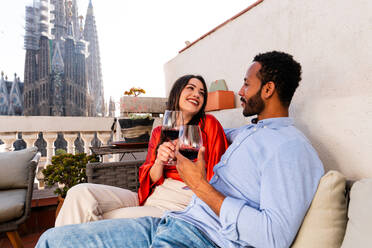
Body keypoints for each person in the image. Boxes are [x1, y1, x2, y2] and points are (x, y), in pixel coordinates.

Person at [37, 51, 324, 248]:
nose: (239, 91)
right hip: (176, 221)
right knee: (52, 238)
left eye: (246, 84)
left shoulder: (289, 147)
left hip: (194, 234)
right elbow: (151, 172)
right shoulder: (249, 132)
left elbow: (273, 237)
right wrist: (163, 157)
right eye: (191, 89)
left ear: (268, 89)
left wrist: (200, 185)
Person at [55, 75, 229, 226]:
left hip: (181, 199)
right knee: (79, 193)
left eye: (201, 93)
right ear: (177, 92)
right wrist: (160, 160)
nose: (197, 94)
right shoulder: (160, 131)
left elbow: (219, 174)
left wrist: (187, 156)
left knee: (99, 219)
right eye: (191, 88)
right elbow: (150, 177)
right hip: (150, 195)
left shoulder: (209, 124)